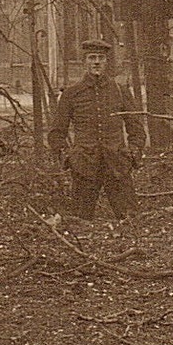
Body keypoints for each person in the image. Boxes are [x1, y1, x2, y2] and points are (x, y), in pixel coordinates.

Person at [47, 38, 146, 219]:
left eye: (101, 57)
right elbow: (56, 133)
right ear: (85, 61)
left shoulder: (120, 90)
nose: (97, 62)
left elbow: (136, 128)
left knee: (130, 219)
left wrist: (132, 152)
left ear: (107, 61)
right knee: (80, 220)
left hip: (117, 165)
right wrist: (69, 156)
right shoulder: (71, 94)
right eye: (92, 58)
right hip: (84, 166)